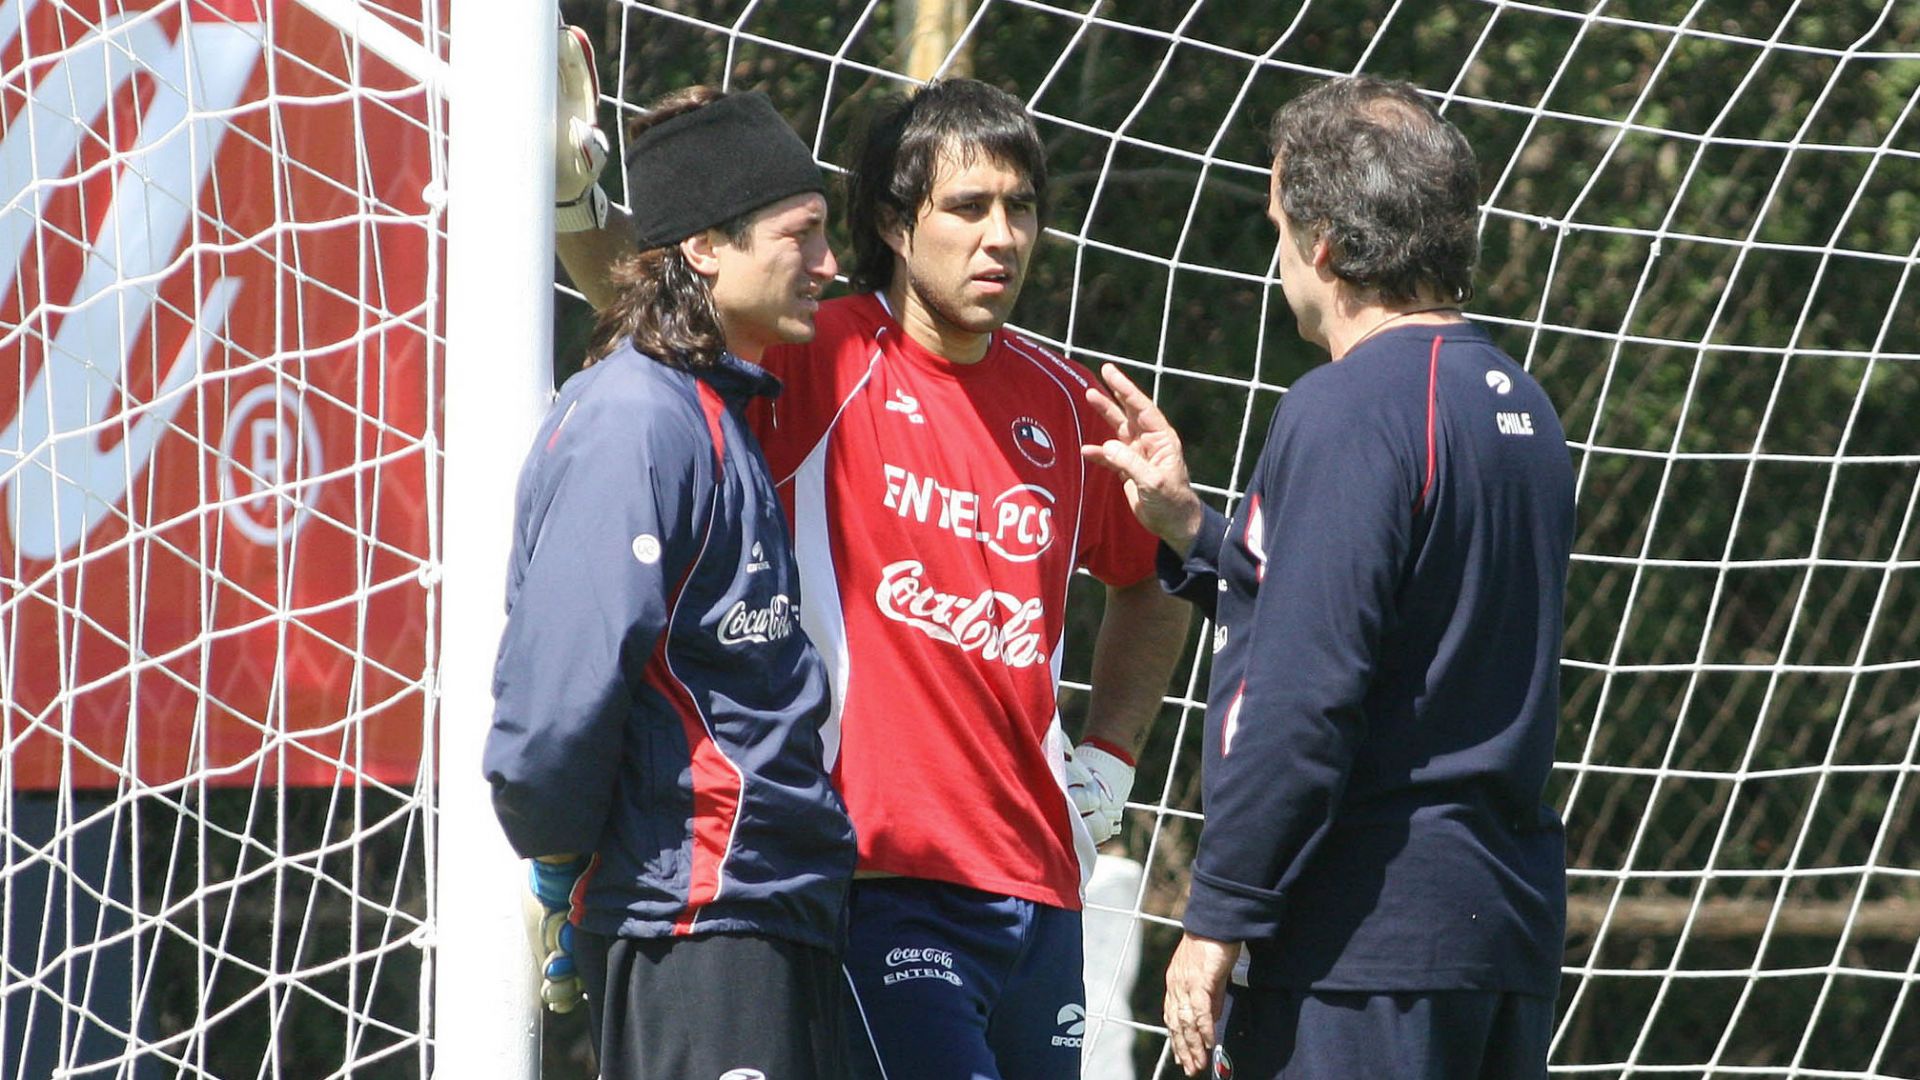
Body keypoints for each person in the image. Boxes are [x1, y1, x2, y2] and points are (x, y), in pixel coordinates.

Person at [553, 60, 1192, 1079]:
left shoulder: (1069, 407)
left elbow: (1154, 580)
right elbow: (653, 313)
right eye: (970, 208)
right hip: (875, 874)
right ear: (896, 225)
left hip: (1040, 884)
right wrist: (566, 196)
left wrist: (1110, 760)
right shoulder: (823, 355)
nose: (1003, 238)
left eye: (1022, 209)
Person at [1083, 76, 1576, 1079]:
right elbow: (1400, 631)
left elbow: (1303, 699)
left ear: (1323, 245)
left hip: (1364, 947)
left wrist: (1219, 920)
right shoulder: (1523, 408)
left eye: (1275, 227)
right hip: (1499, 938)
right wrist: (1192, 529)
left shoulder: (1344, 407)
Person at [483, 84, 856, 1080]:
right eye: (803, 234)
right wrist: (559, 860)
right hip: (697, 917)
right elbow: (558, 694)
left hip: (773, 908)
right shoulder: (633, 423)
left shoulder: (720, 411)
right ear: (704, 249)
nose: (830, 264)